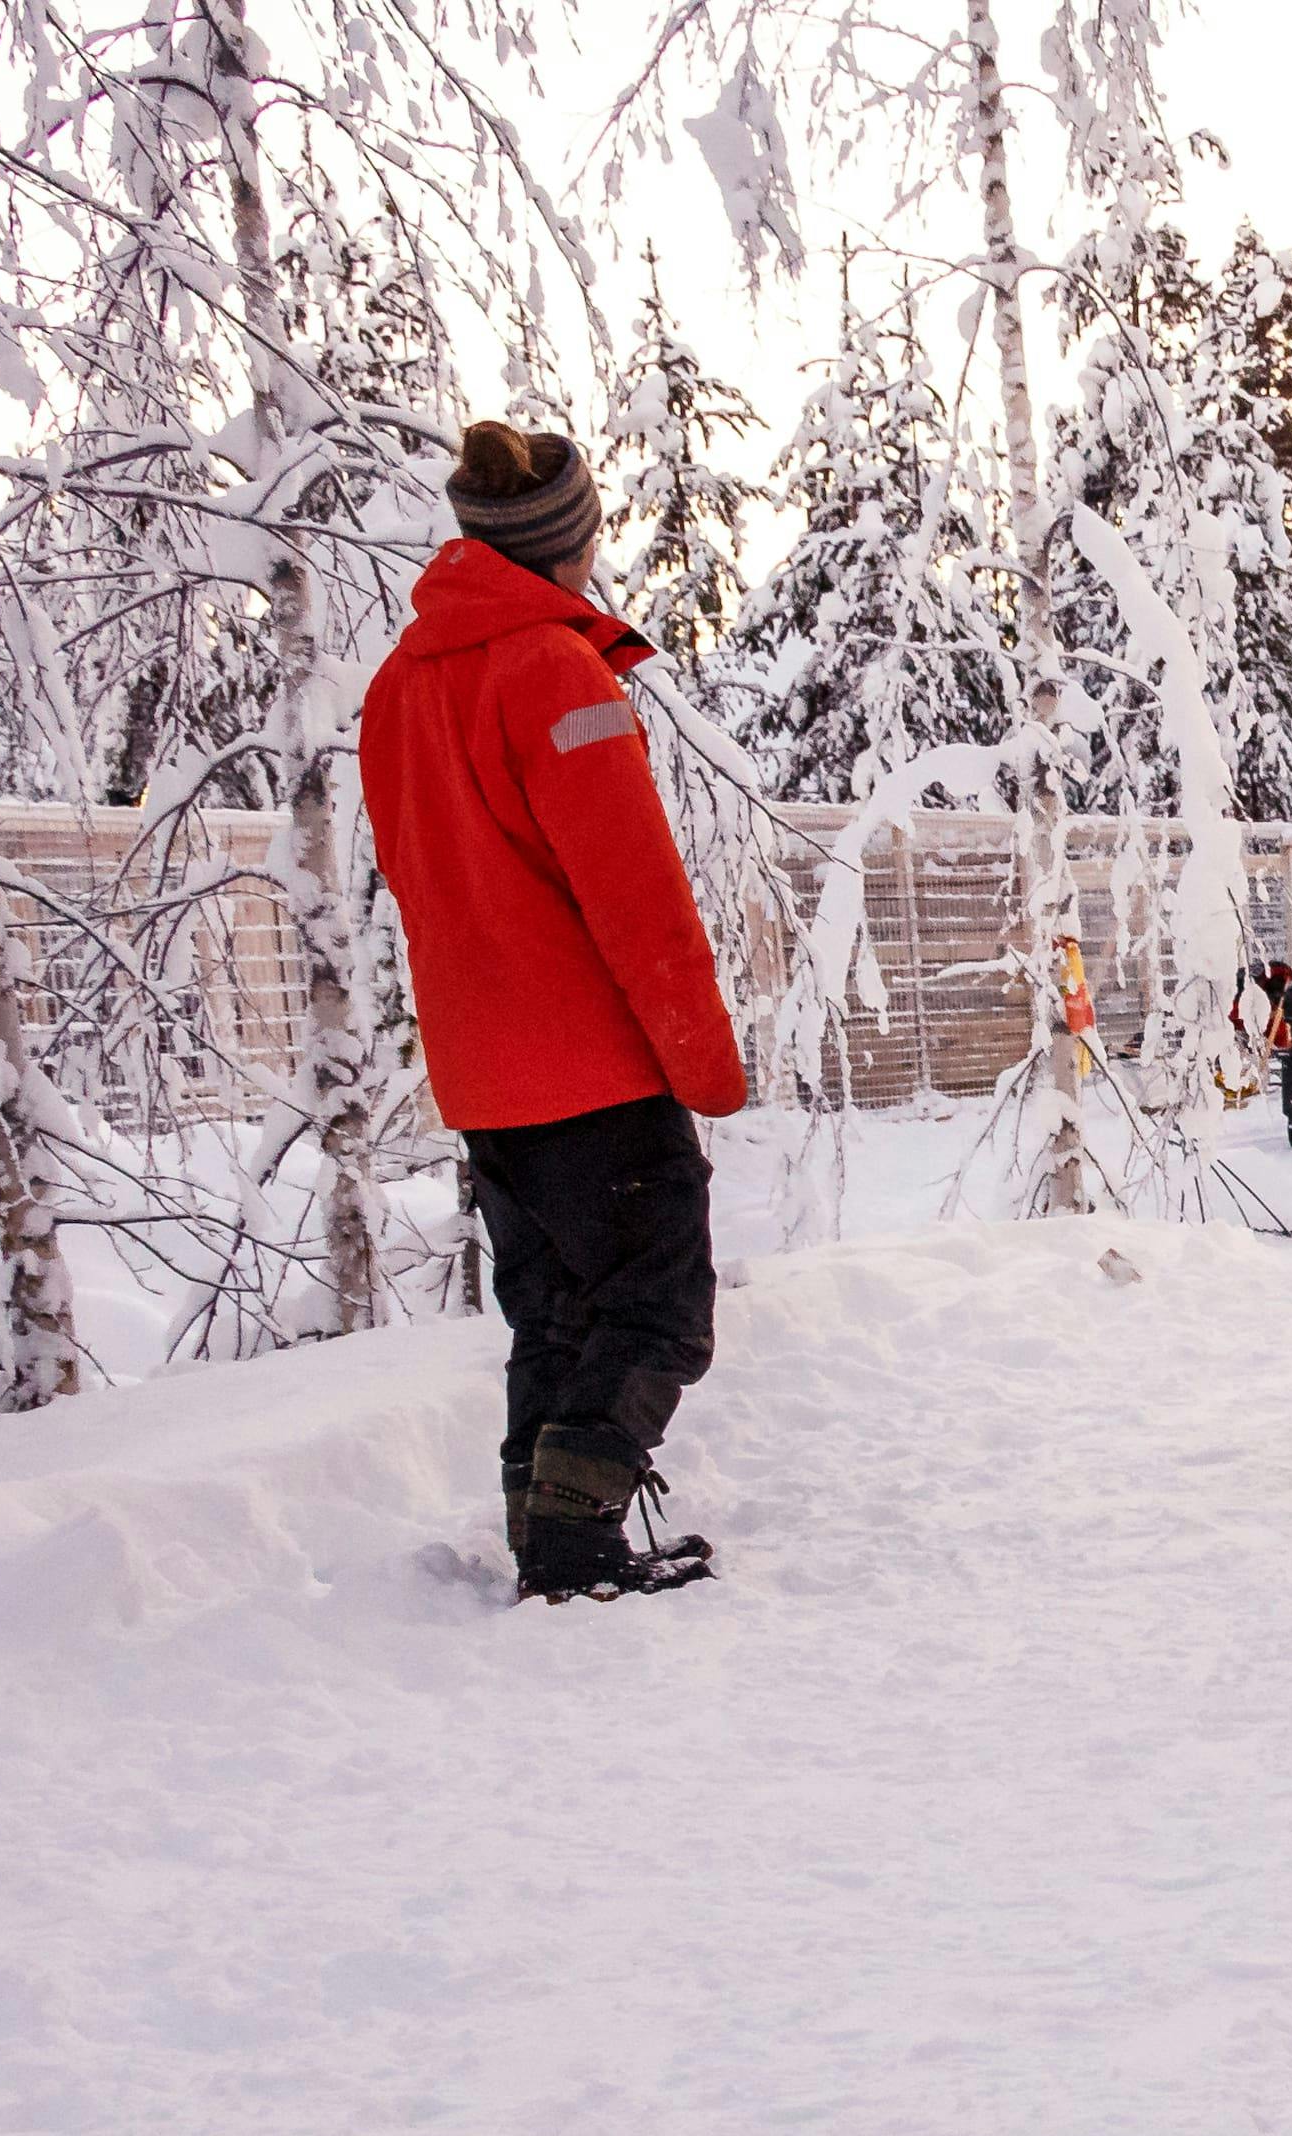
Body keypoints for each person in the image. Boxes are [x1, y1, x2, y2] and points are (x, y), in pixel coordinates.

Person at [361, 419, 747, 1602]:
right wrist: (704, 1060)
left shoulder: (398, 685)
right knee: (657, 1308)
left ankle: (547, 1531)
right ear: (567, 544)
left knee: (557, 1314)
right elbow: (635, 896)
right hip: (592, 1071)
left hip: (484, 1077)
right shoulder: (551, 672)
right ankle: (576, 1545)